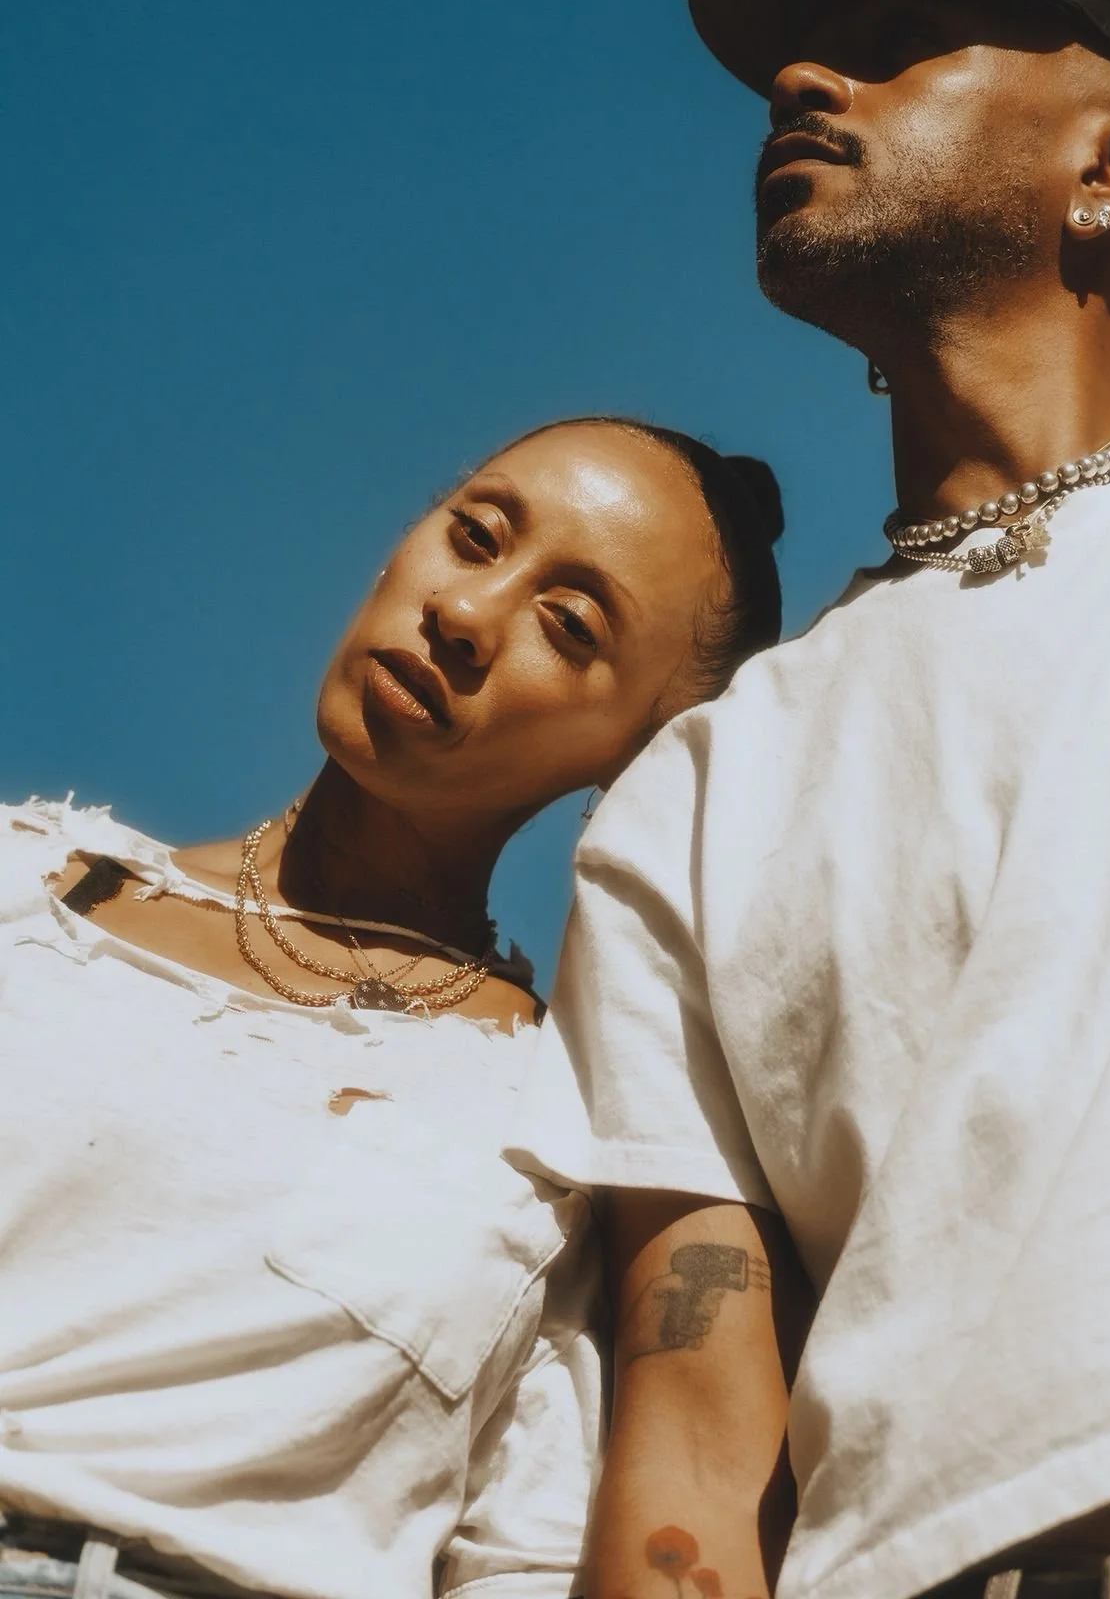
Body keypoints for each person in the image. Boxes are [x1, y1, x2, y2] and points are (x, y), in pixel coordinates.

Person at [506, 0, 1110, 1599]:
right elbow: (690, 1440)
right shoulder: (692, 792)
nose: (798, 82)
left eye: (897, 40)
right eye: (811, 56)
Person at [0, 414, 784, 1599]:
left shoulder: (561, 1122)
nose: (466, 612)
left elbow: (525, 1555)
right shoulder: (28, 888)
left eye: (570, 625)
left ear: (635, 756)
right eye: (475, 536)